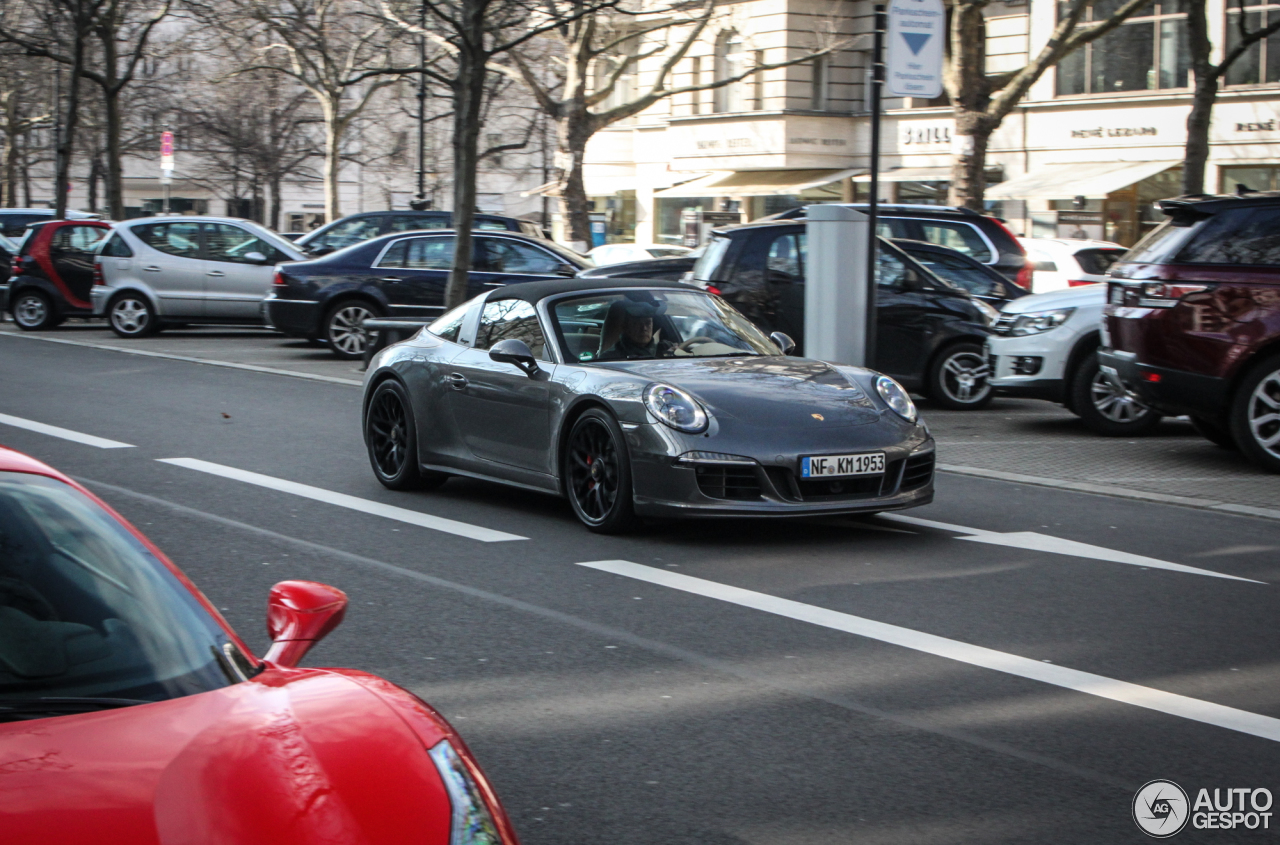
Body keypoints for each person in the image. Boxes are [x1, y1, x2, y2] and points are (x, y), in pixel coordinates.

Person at [598, 298, 674, 360]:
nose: (644, 328)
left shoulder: (665, 347)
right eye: (637, 324)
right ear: (626, 327)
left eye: (648, 323)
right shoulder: (611, 357)